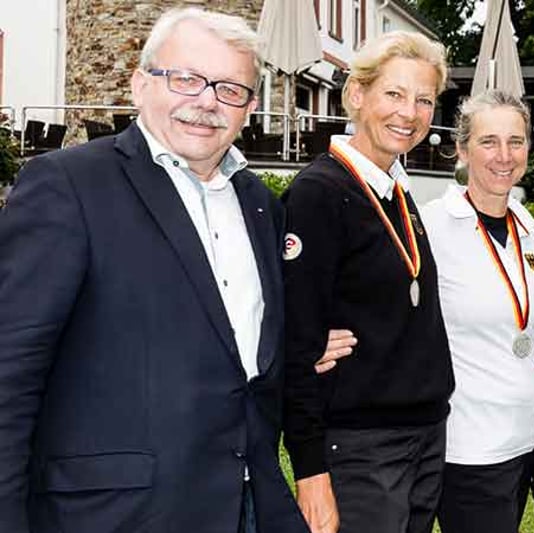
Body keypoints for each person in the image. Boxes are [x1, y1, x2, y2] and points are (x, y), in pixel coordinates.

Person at [0, 8, 307, 533]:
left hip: (247, 506)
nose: (207, 101)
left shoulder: (260, 204)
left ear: (249, 107)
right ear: (141, 85)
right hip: (114, 516)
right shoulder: (68, 186)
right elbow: (10, 374)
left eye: (231, 89)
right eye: (186, 78)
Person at [281, 31, 454, 533]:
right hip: (361, 445)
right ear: (357, 95)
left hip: (422, 433)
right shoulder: (318, 194)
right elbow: (298, 343)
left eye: (423, 100)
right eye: (394, 94)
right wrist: (311, 470)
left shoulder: (396, 190)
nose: (410, 112)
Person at [419, 90, 534, 533]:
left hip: (525, 438)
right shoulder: (431, 226)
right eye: (489, 141)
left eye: (516, 141)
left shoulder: (529, 229)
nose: (504, 156)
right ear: (462, 148)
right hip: (467, 444)